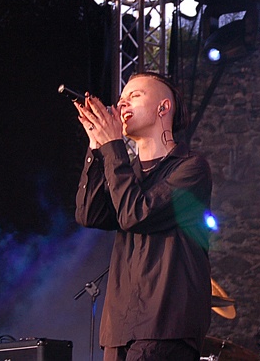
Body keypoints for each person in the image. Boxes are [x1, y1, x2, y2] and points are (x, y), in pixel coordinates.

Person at [74, 72, 213, 361]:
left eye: (135, 96)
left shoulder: (190, 168)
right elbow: (90, 213)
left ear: (164, 107)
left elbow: (135, 214)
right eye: (121, 98)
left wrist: (113, 147)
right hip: (120, 327)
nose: (122, 103)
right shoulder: (126, 172)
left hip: (165, 325)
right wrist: (97, 148)